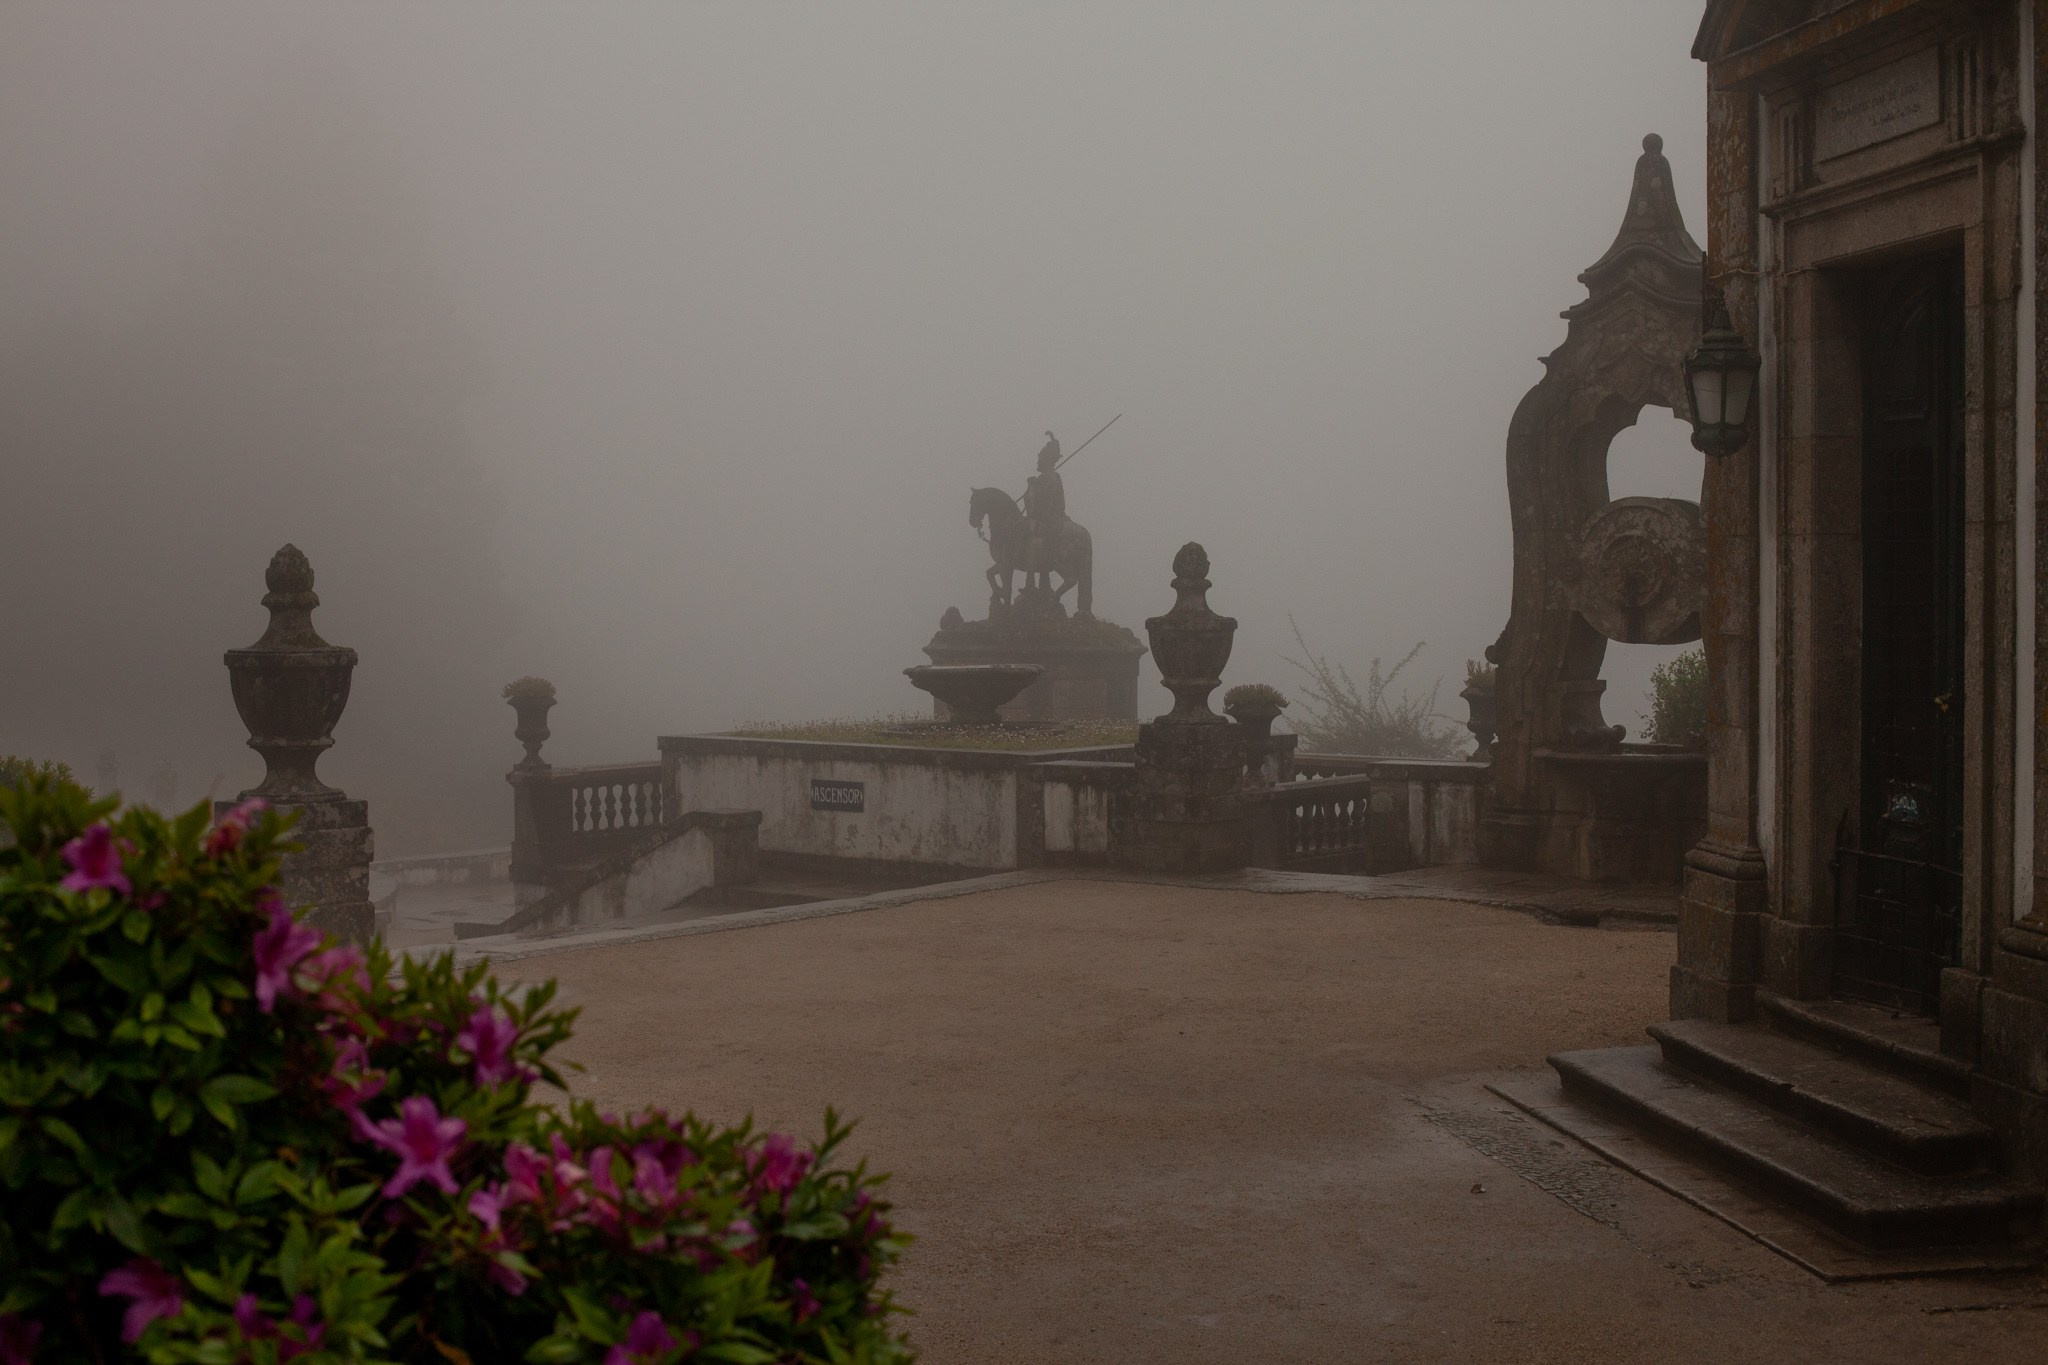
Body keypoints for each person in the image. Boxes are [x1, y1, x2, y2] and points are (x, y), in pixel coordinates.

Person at [1022, 431, 1065, 591]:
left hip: (1048, 517)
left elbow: (1042, 504)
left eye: (1039, 458)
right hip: (1047, 516)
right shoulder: (1046, 478)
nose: (1038, 461)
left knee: (1025, 535)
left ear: (1046, 460)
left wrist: (1033, 488)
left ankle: (1030, 581)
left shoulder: (1050, 478)